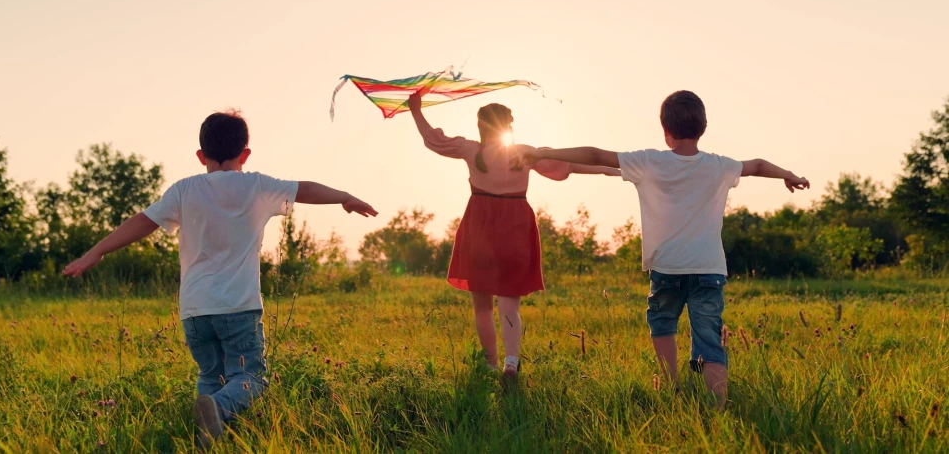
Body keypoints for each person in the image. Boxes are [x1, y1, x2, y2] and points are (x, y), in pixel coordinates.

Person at [62, 110, 378, 448]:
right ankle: (220, 408)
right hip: (238, 307)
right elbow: (305, 189)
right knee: (251, 378)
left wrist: (95, 252)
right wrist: (344, 197)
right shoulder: (256, 185)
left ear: (201, 156)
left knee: (211, 377)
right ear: (246, 154)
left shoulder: (184, 190)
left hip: (195, 310)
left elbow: (142, 221)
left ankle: (208, 438)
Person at [515, 90, 809, 407]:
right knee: (710, 338)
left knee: (663, 324)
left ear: (665, 131)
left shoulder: (649, 161)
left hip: (667, 267)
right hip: (709, 269)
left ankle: (671, 388)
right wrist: (788, 175)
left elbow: (597, 155)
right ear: (704, 127)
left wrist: (542, 152)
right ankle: (719, 407)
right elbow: (758, 164)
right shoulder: (719, 166)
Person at [407, 90, 620, 378]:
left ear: (480, 126)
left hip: (479, 226)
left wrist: (416, 110)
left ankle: (491, 364)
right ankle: (510, 361)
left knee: (482, 306)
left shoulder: (471, 151)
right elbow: (572, 165)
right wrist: (615, 171)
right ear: (509, 125)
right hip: (515, 226)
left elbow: (434, 139)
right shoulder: (525, 152)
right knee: (509, 303)